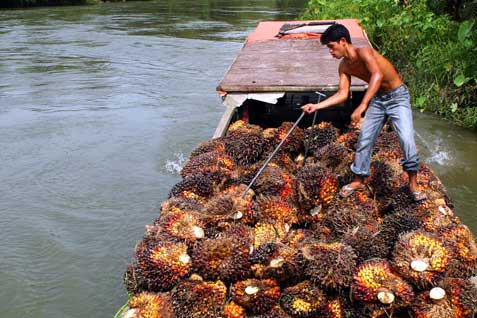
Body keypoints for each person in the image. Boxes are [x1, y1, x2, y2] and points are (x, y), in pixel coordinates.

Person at [301, 23, 427, 202]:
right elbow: (342, 94)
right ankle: (359, 179)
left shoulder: (364, 52)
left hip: (397, 96)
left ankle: (413, 183)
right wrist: (317, 106)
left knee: (406, 139)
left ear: (343, 41)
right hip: (378, 99)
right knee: (365, 139)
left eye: (331, 46)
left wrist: (362, 106)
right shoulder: (344, 66)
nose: (330, 52)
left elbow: (377, 75)